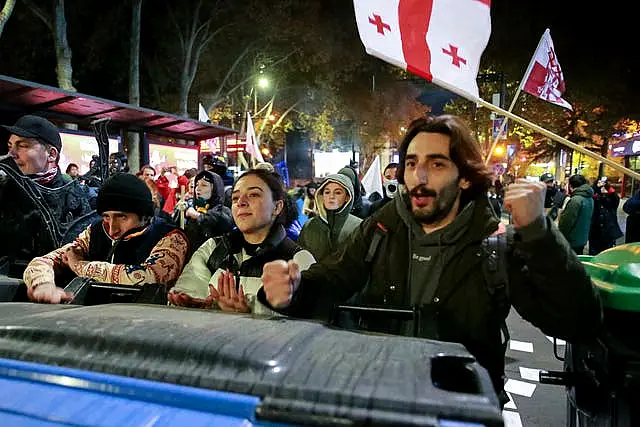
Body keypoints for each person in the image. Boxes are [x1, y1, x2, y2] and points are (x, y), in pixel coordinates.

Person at [259, 115, 601, 400]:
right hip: (381, 400)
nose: (419, 179)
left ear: (465, 177)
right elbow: (333, 279)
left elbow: (577, 323)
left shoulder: (495, 245)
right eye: (411, 164)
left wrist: (540, 234)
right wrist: (294, 289)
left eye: (436, 164)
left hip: (460, 409)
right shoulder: (381, 228)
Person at [23, 173, 190, 304]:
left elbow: (150, 277)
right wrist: (42, 284)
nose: (112, 228)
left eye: (122, 217)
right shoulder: (95, 231)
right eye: (106, 217)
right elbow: (44, 261)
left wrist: (79, 266)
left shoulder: (171, 237)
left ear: (144, 215)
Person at [169, 169, 315, 314]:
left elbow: (309, 325)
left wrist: (250, 314)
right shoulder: (213, 248)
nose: (241, 202)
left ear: (276, 207)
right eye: (235, 197)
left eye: (253, 194)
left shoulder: (299, 260)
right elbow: (186, 294)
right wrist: (196, 306)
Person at [0, 115, 91, 276]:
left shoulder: (75, 195)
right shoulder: (4, 190)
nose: (11, 154)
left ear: (51, 154)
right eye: (10, 146)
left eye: (22, 146)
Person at [297, 174, 362, 262]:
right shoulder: (309, 225)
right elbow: (301, 258)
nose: (331, 197)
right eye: (327, 192)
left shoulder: (358, 226)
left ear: (347, 197)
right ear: (321, 195)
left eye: (338, 192)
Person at [179, 170, 234, 253]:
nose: (198, 189)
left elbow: (223, 221)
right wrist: (179, 212)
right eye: (197, 185)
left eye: (204, 185)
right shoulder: (192, 207)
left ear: (215, 189)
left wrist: (198, 216)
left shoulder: (223, 210)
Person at [558, 175, 594, 255]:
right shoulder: (589, 198)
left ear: (570, 186)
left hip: (572, 240)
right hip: (582, 238)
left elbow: (566, 222)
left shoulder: (576, 200)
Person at [589, 177, 623, 255]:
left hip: (608, 230)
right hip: (595, 230)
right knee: (594, 252)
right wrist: (597, 190)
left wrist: (609, 191)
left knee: (607, 253)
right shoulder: (594, 197)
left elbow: (615, 201)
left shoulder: (611, 196)